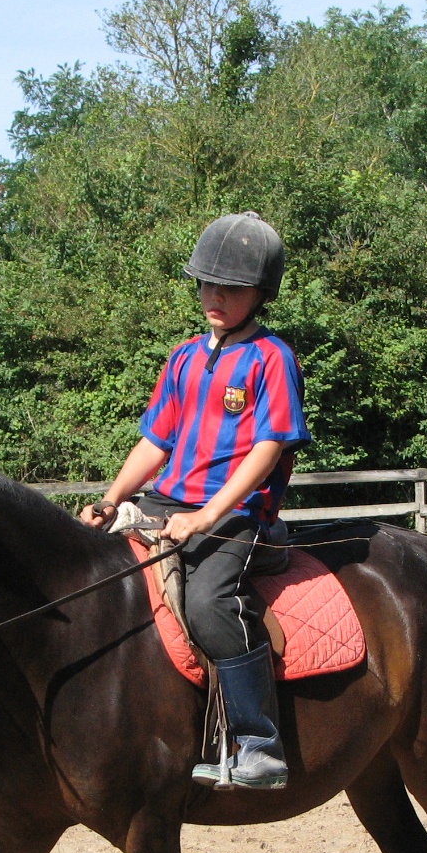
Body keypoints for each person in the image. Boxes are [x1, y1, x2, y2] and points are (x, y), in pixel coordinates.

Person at [81, 212, 309, 790]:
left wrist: (208, 515)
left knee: (209, 602)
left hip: (234, 515)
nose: (215, 296)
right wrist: (111, 499)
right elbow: (156, 441)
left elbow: (269, 445)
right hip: (165, 501)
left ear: (262, 294)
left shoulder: (272, 358)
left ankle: (260, 744)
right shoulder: (183, 357)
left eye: (231, 288)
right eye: (208, 284)